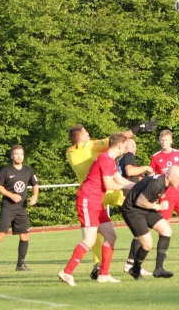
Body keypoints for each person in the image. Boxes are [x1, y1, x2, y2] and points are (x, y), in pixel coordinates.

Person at [66, 120, 156, 279]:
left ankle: (100, 267)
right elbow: (116, 140)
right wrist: (137, 129)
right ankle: (133, 256)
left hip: (98, 192)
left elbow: (115, 144)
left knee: (106, 235)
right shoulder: (97, 150)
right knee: (135, 213)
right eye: (86, 133)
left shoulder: (71, 152)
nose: (89, 134)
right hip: (97, 191)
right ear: (80, 138)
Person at [58, 133, 135, 286]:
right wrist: (132, 186)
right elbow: (109, 185)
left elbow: (119, 180)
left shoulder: (109, 159)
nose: (126, 148)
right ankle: (67, 272)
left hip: (95, 202)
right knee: (89, 239)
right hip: (87, 200)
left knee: (110, 236)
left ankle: (104, 274)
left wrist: (138, 185)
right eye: (125, 145)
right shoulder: (105, 159)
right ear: (120, 145)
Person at [0, 145, 39, 274]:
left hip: (21, 209)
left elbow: (35, 184)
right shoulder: (6, 170)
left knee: (25, 236)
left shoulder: (28, 170)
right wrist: (11, 195)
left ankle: (20, 264)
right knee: (0, 235)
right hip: (8, 208)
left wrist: (35, 196)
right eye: (16, 154)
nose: (19, 156)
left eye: (21, 154)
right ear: (12, 156)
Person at [121, 166, 179, 280]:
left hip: (144, 208)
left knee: (166, 230)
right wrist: (158, 206)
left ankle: (159, 269)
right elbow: (139, 201)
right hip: (133, 210)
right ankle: (135, 270)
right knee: (147, 244)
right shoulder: (156, 184)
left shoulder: (164, 182)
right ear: (169, 177)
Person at [150, 129, 179, 258]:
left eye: (166, 140)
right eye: (162, 140)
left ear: (171, 141)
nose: (163, 142)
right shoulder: (155, 157)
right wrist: (156, 195)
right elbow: (153, 178)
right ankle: (163, 252)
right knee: (165, 225)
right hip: (165, 196)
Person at [117, 138, 155, 276]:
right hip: (130, 201)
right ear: (126, 146)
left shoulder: (120, 159)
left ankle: (131, 263)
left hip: (125, 199)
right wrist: (146, 167)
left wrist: (139, 179)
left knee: (139, 235)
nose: (135, 148)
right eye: (133, 145)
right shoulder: (128, 156)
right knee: (142, 234)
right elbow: (129, 170)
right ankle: (133, 265)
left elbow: (127, 174)